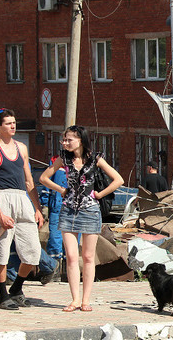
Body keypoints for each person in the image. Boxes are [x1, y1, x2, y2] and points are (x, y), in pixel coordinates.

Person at [40, 125, 124, 312]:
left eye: (69, 139)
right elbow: (44, 178)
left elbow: (118, 179)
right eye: (64, 139)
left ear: (80, 140)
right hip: (68, 210)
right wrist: (61, 190)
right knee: (70, 256)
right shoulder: (64, 158)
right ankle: (75, 299)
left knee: (87, 256)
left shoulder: (95, 158)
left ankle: (86, 300)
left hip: (90, 211)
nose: (65, 143)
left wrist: (100, 194)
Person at [0, 108, 45, 310]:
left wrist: (37, 208)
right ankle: (2, 295)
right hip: (2, 197)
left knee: (33, 252)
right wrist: (0, 214)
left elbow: (29, 181)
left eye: (14, 122)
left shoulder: (21, 148)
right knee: (2, 251)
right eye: (8, 123)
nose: (12, 126)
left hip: (22, 199)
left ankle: (16, 288)